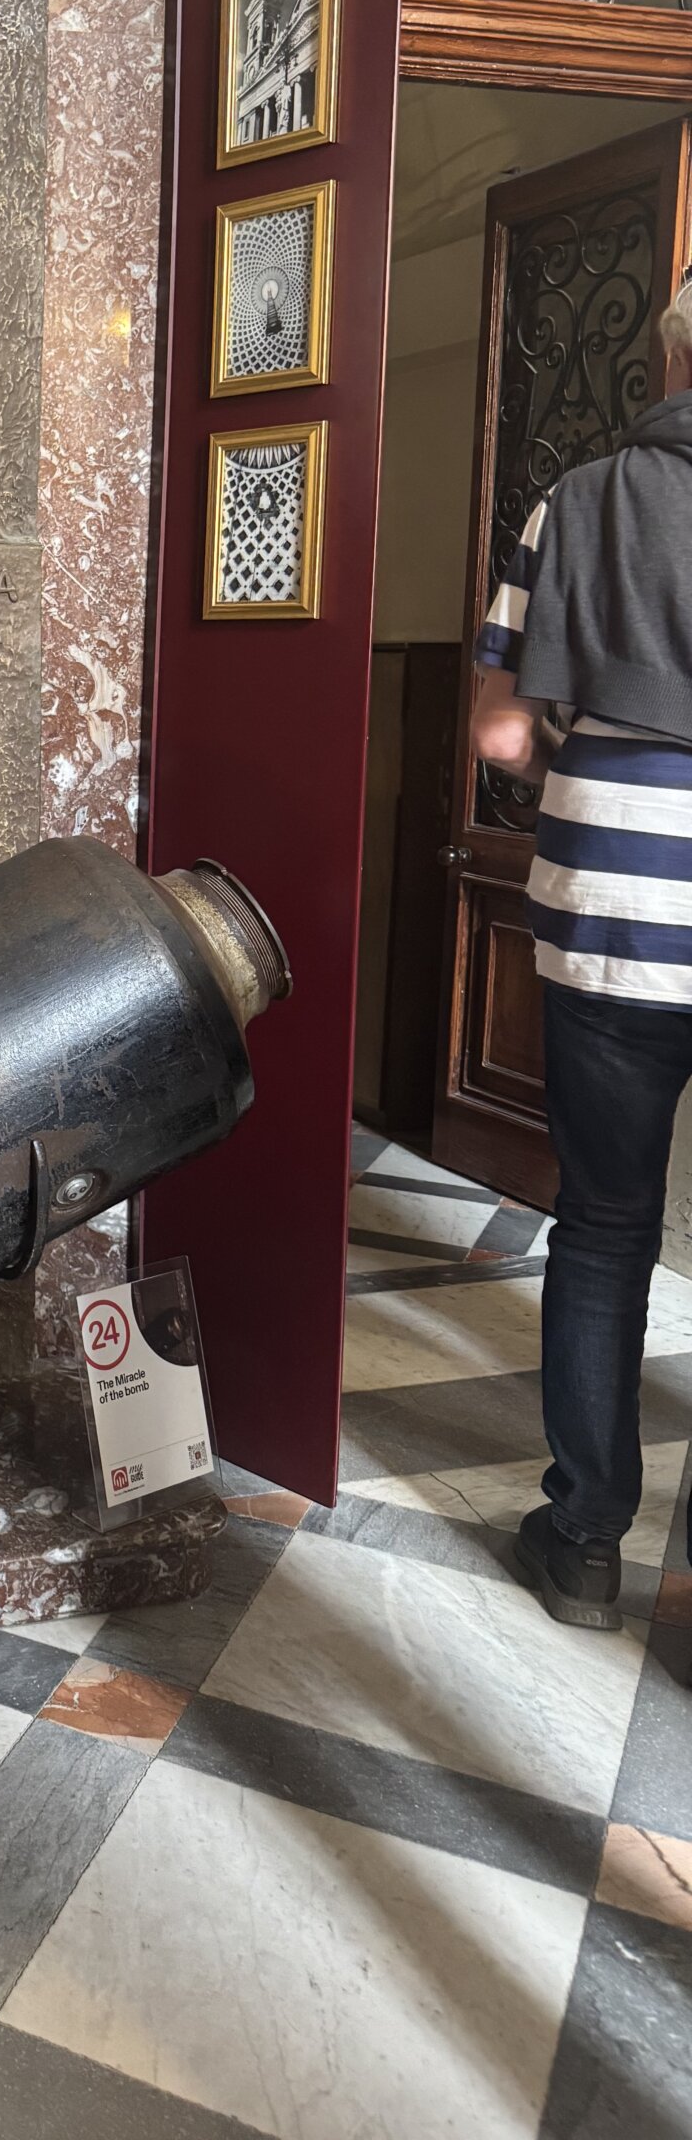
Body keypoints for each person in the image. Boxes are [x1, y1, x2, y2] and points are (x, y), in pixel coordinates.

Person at [470, 270, 692, 1630]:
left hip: (611, 908)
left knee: (606, 1225)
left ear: (668, 357)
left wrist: (576, 748)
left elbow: (502, 730)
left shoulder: (581, 499)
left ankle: (586, 1543)